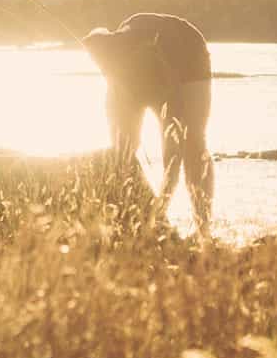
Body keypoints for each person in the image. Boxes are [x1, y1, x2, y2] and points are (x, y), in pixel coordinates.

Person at [83, 12, 214, 235]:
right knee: (121, 150)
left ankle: (204, 229)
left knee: (192, 144)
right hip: (138, 61)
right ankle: (128, 222)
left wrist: (159, 209)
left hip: (188, 55)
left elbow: (173, 157)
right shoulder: (115, 70)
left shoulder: (162, 74)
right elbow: (96, 39)